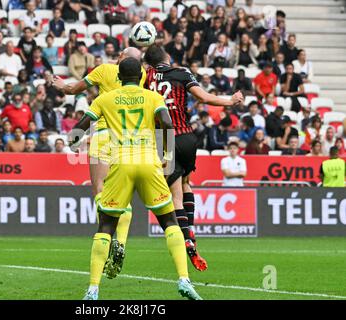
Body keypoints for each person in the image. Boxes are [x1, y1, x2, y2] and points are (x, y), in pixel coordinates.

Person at [69, 57, 201, 301]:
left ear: (118, 77)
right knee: (170, 221)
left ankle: (93, 289)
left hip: (121, 164)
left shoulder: (104, 99)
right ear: (141, 77)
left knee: (106, 225)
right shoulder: (153, 97)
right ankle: (184, 279)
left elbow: (80, 128)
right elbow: (168, 123)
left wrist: (72, 140)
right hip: (150, 163)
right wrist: (167, 155)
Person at [144, 44, 243, 270]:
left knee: (175, 196)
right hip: (187, 136)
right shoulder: (183, 72)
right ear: (167, 57)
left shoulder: (146, 77)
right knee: (188, 183)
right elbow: (204, 97)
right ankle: (191, 230)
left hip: (163, 140)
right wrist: (231, 100)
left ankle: (187, 238)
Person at [53, 47, 146, 279]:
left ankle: (107, 234)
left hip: (104, 134)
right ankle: (121, 242)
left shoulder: (104, 70)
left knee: (100, 190)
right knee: (124, 195)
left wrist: (60, 85)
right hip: (130, 140)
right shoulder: (143, 76)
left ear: (123, 59)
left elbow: (73, 90)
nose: (117, 55)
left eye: (121, 53)